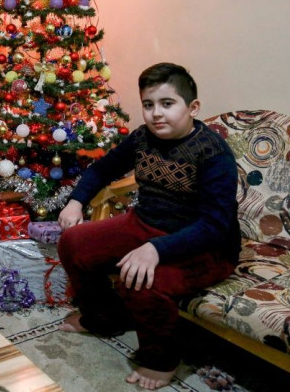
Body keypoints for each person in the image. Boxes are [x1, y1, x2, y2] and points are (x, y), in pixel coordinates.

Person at [57, 63, 239, 390]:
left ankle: (161, 360)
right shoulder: (143, 138)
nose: (156, 114)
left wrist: (156, 249)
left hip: (205, 245)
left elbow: (215, 225)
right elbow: (102, 170)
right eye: (148, 104)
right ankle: (105, 319)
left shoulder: (213, 153)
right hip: (144, 223)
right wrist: (76, 201)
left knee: (141, 280)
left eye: (167, 104)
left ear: (192, 107)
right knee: (74, 243)